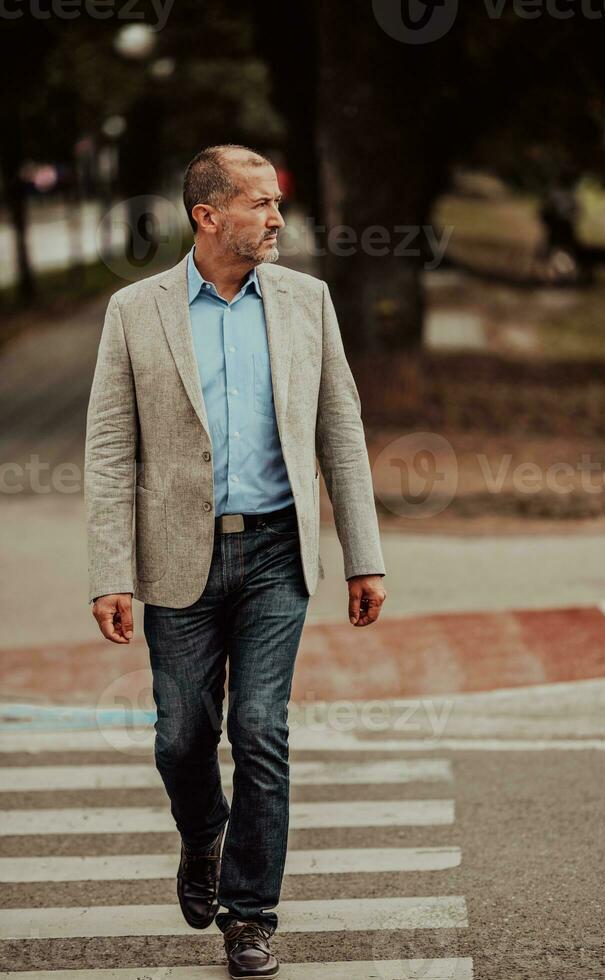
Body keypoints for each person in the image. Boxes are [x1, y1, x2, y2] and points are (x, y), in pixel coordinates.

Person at [84, 143, 387, 979]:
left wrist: (365, 557)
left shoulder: (307, 303)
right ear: (207, 216)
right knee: (181, 737)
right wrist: (108, 571)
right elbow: (110, 451)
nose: (277, 219)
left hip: (276, 554)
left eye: (277, 204)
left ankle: (250, 916)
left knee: (259, 727)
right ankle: (203, 836)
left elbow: (341, 433)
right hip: (177, 559)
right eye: (260, 204)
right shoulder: (134, 312)